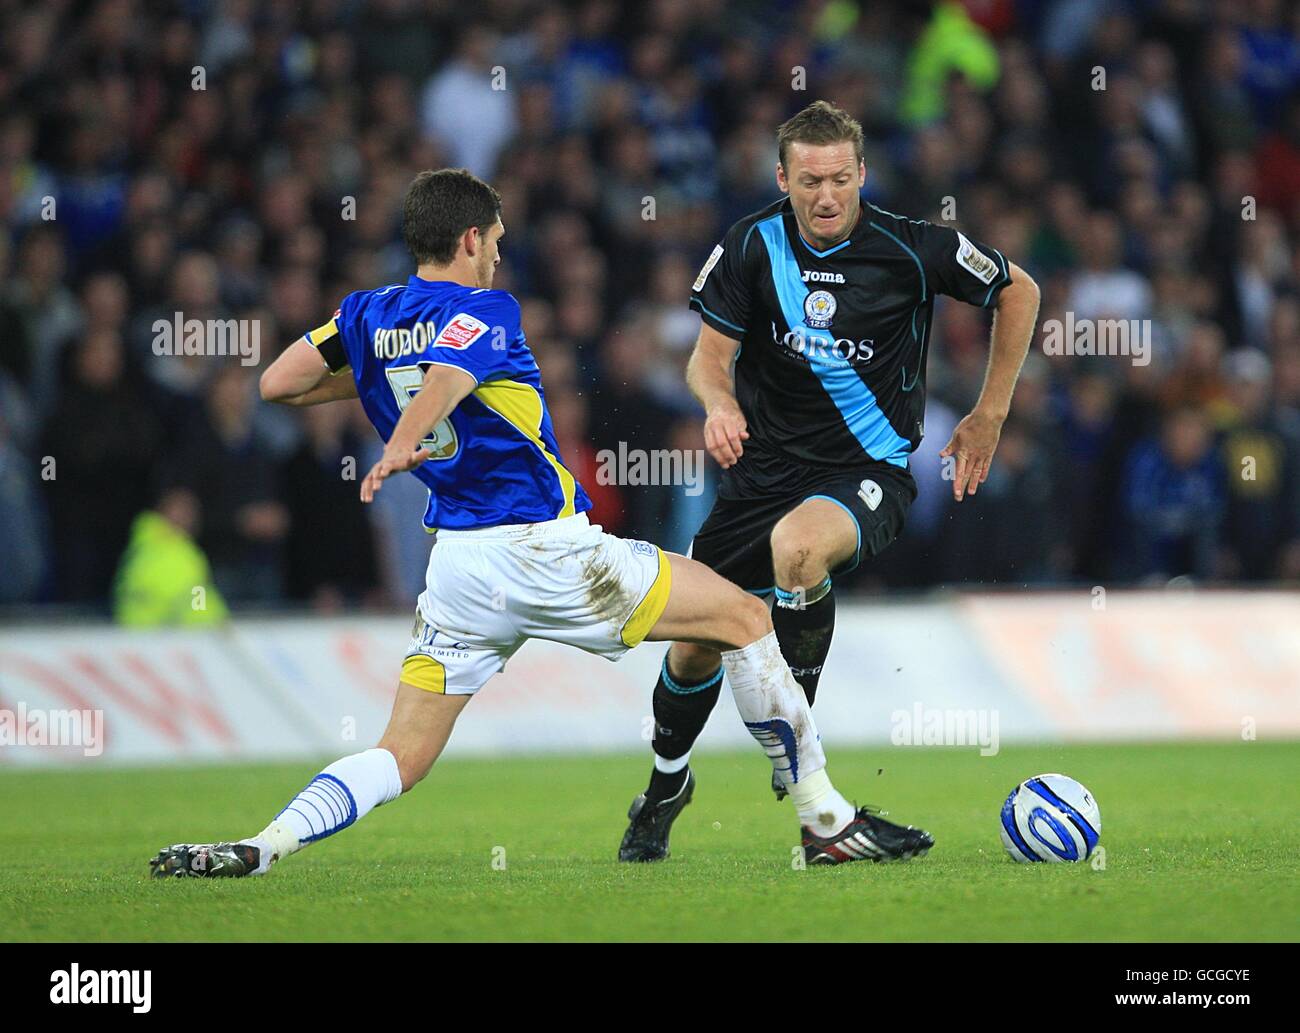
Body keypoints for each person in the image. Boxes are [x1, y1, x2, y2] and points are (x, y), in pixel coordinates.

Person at [149, 168, 934, 878]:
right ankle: (826, 820)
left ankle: (263, 844)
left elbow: (281, 383)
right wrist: (401, 434)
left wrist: (389, 387)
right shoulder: (486, 308)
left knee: (401, 754)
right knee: (746, 616)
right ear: (467, 239)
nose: (497, 254)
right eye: (492, 240)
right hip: (544, 549)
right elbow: (452, 375)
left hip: (457, 569)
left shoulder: (366, 312)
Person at [619, 101, 1040, 862]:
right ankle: (664, 786)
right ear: (782, 177)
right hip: (760, 476)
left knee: (799, 549)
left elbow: (1021, 290)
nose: (825, 196)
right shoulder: (751, 243)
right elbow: (707, 359)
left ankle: (797, 735)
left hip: (865, 472)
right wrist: (717, 403)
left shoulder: (912, 248)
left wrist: (990, 413)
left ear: (862, 176)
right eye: (809, 180)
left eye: (840, 179)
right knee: (691, 649)